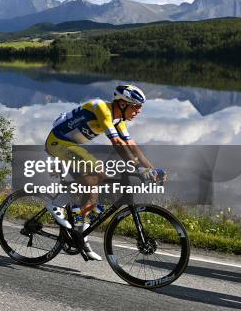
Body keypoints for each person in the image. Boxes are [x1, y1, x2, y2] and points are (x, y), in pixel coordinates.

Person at [45, 84, 164, 261]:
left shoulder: (119, 120)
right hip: (58, 143)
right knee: (98, 170)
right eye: (136, 106)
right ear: (123, 104)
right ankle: (57, 203)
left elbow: (132, 146)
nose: (139, 111)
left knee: (93, 189)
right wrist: (139, 168)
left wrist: (151, 169)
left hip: (72, 146)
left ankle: (80, 236)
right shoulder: (102, 108)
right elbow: (116, 142)